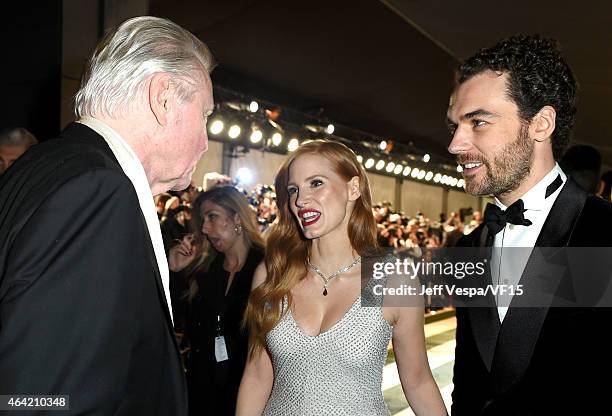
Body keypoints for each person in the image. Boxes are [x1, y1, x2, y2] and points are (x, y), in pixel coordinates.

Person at [0, 16, 214, 415]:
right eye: (205, 115)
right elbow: (45, 401)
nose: (205, 141)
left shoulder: (49, 164)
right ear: (163, 98)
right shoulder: (98, 190)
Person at [446, 35, 612, 415]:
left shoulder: (603, 233)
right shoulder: (468, 248)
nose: (455, 144)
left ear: (540, 124)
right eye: (455, 125)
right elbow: (467, 382)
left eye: (478, 122)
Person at [236, 140, 446, 415]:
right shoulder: (273, 275)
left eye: (316, 183)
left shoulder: (392, 279)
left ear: (353, 188)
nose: (300, 200)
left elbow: (418, 382)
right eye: (293, 189)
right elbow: (257, 375)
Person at [169, 185, 264, 415]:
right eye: (203, 219)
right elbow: (174, 320)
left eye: (212, 217)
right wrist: (174, 273)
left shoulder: (266, 267)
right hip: (201, 391)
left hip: (246, 393)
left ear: (237, 218)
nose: (204, 228)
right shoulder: (203, 270)